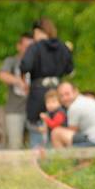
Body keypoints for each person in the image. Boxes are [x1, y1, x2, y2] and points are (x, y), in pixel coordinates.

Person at [20, 18, 73, 148]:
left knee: (37, 129)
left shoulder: (35, 47)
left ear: (38, 31)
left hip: (38, 94)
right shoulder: (63, 47)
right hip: (57, 93)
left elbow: (25, 66)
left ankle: (37, 164)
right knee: (58, 125)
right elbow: (70, 69)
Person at [51, 82, 95, 148]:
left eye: (67, 94)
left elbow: (71, 133)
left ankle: (62, 158)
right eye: (61, 96)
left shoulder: (75, 107)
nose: (64, 98)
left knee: (56, 133)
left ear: (76, 92)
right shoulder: (87, 101)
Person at [0, 32, 34, 149]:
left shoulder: (38, 62)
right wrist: (18, 81)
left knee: (36, 146)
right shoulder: (12, 61)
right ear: (19, 46)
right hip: (15, 110)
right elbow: (2, 74)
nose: (29, 49)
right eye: (26, 46)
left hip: (34, 110)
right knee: (15, 145)